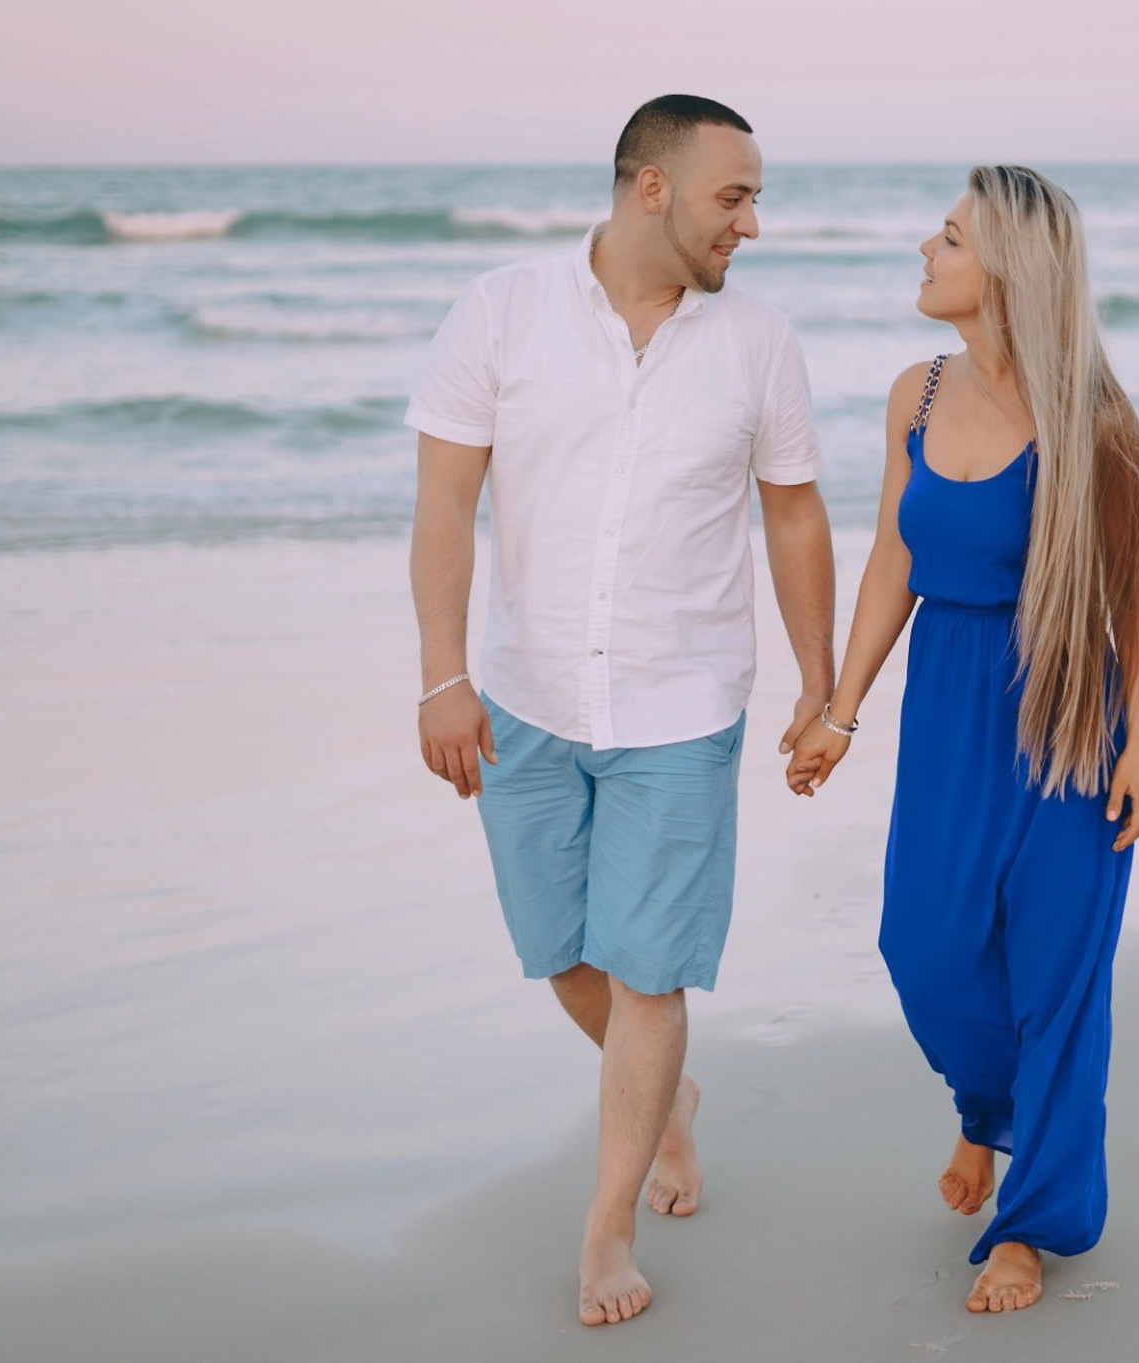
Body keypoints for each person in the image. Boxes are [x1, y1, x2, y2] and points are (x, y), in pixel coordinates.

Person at [407, 94, 835, 1327]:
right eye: (734, 196)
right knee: (564, 952)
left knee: (651, 970)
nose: (750, 223)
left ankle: (607, 1223)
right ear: (652, 187)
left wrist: (817, 683)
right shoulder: (501, 311)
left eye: (754, 198)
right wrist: (443, 676)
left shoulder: (758, 343)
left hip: (683, 699)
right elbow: (445, 505)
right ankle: (669, 1099)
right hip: (525, 695)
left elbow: (793, 511)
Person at [787, 165, 1139, 1314]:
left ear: (1005, 265)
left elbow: (1137, 594)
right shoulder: (915, 391)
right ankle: (984, 1115)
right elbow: (895, 559)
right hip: (947, 711)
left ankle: (1030, 1227)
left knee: (1057, 983)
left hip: (1065, 723)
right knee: (928, 949)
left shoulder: (1092, 415)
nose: (924, 248)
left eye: (947, 237)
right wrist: (841, 709)